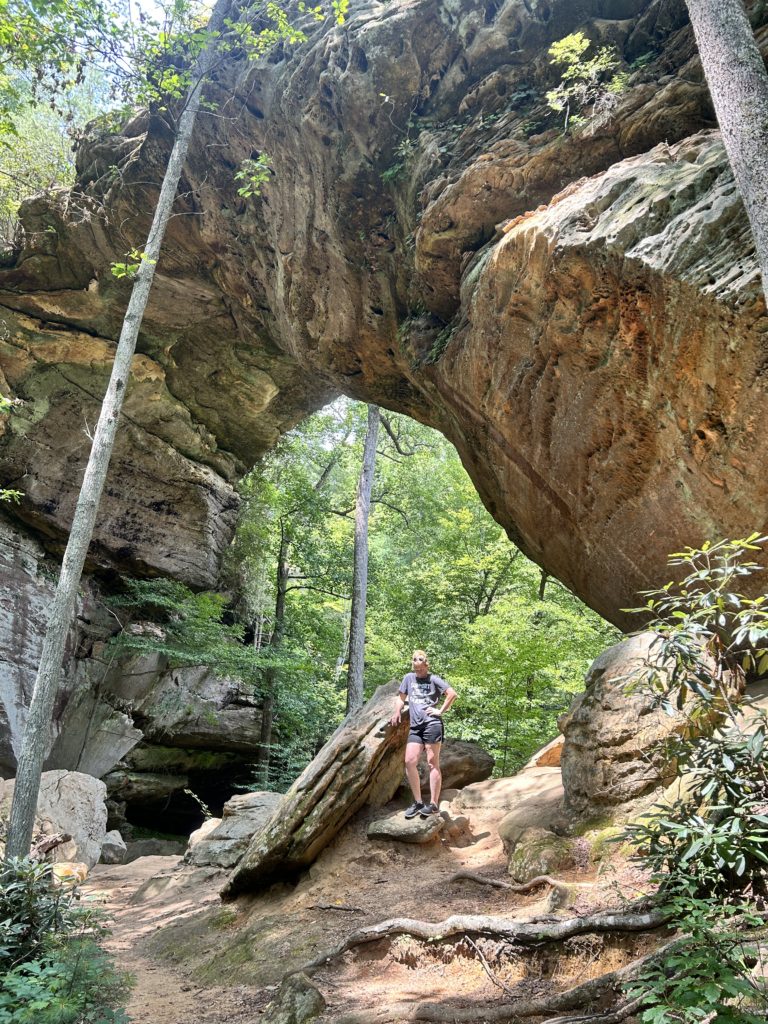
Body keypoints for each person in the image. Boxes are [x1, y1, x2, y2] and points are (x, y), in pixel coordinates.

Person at [389, 650, 457, 819]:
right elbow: (401, 697)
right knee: (409, 761)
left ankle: (434, 805)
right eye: (414, 663)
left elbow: (452, 694)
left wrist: (440, 711)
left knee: (432, 762)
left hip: (432, 724)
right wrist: (397, 711)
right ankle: (418, 802)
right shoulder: (408, 678)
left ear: (426, 665)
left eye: (420, 663)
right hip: (415, 726)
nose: (417, 667)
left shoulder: (433, 679)